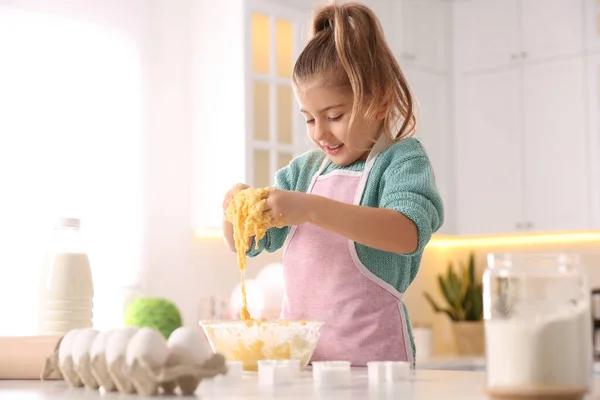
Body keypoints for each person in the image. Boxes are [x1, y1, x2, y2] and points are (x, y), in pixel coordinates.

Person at [222, 2, 444, 367]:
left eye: (335, 116)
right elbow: (243, 244)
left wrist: (311, 209)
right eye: (309, 119)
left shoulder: (401, 161)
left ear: (381, 100)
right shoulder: (302, 173)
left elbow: (407, 233)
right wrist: (233, 212)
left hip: (378, 372)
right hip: (302, 370)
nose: (320, 133)